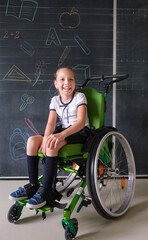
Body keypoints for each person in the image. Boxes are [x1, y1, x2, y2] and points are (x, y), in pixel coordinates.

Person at [9, 66, 90, 209]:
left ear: (75, 83)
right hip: (62, 130)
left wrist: (59, 136)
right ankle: (34, 185)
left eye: (71, 79)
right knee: (32, 141)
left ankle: (47, 192)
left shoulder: (79, 97)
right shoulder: (55, 100)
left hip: (79, 132)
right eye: (62, 79)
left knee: (53, 144)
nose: (67, 82)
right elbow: (51, 123)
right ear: (56, 84)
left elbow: (80, 123)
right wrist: (46, 137)